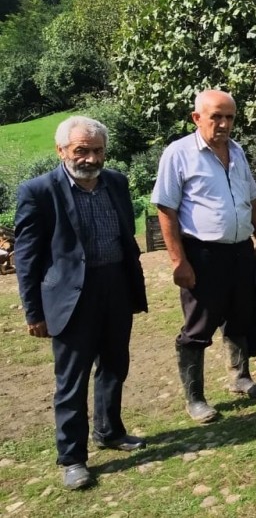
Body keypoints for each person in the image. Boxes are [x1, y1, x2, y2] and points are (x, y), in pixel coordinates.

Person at [15, 116, 148, 490]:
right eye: (81, 150)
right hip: (70, 296)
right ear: (61, 151)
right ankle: (72, 458)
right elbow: (26, 258)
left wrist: (132, 288)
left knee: (114, 364)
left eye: (97, 150)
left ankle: (110, 431)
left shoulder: (117, 183)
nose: (90, 158)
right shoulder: (38, 191)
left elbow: (126, 238)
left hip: (116, 287)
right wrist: (33, 311)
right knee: (71, 380)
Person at [152, 89, 256, 424]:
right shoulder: (179, 154)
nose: (223, 124)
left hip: (239, 250)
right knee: (199, 326)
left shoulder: (237, 151)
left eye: (229, 117)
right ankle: (196, 398)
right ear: (196, 118)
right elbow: (165, 209)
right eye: (215, 116)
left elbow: (252, 197)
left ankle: (240, 377)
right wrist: (179, 261)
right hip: (202, 253)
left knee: (240, 315)